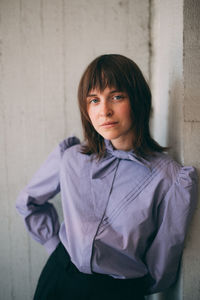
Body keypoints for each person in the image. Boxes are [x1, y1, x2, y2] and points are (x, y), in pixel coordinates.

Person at [16, 54, 198, 300]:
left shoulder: (171, 179)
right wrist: (57, 250)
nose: (104, 111)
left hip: (118, 293)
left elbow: (163, 260)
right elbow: (28, 203)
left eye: (117, 96)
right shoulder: (71, 158)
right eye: (94, 100)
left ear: (138, 99)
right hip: (58, 279)